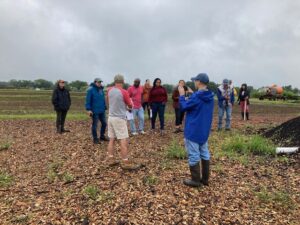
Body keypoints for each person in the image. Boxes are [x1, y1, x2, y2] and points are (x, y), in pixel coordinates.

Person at [179, 73, 214, 187]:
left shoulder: (196, 97)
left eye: (195, 80)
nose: (194, 82)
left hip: (193, 130)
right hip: (204, 130)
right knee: (204, 153)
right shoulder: (210, 96)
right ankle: (205, 179)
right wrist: (193, 94)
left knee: (194, 154)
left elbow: (184, 107)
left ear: (199, 82)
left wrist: (182, 96)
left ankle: (195, 180)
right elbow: (199, 102)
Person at [106, 74, 140, 170]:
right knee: (123, 139)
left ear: (115, 81)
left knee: (111, 139)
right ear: (123, 81)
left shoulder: (109, 90)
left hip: (111, 117)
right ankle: (125, 161)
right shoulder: (124, 92)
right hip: (120, 118)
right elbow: (130, 105)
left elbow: (107, 101)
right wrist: (128, 106)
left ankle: (111, 159)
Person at [85, 78, 108, 144]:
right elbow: (88, 100)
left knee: (104, 123)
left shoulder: (101, 89)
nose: (100, 83)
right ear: (95, 82)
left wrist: (105, 106)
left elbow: (103, 99)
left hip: (102, 110)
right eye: (98, 82)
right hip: (94, 111)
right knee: (95, 125)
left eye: (100, 82)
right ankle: (95, 139)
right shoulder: (90, 90)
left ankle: (102, 136)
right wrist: (88, 109)